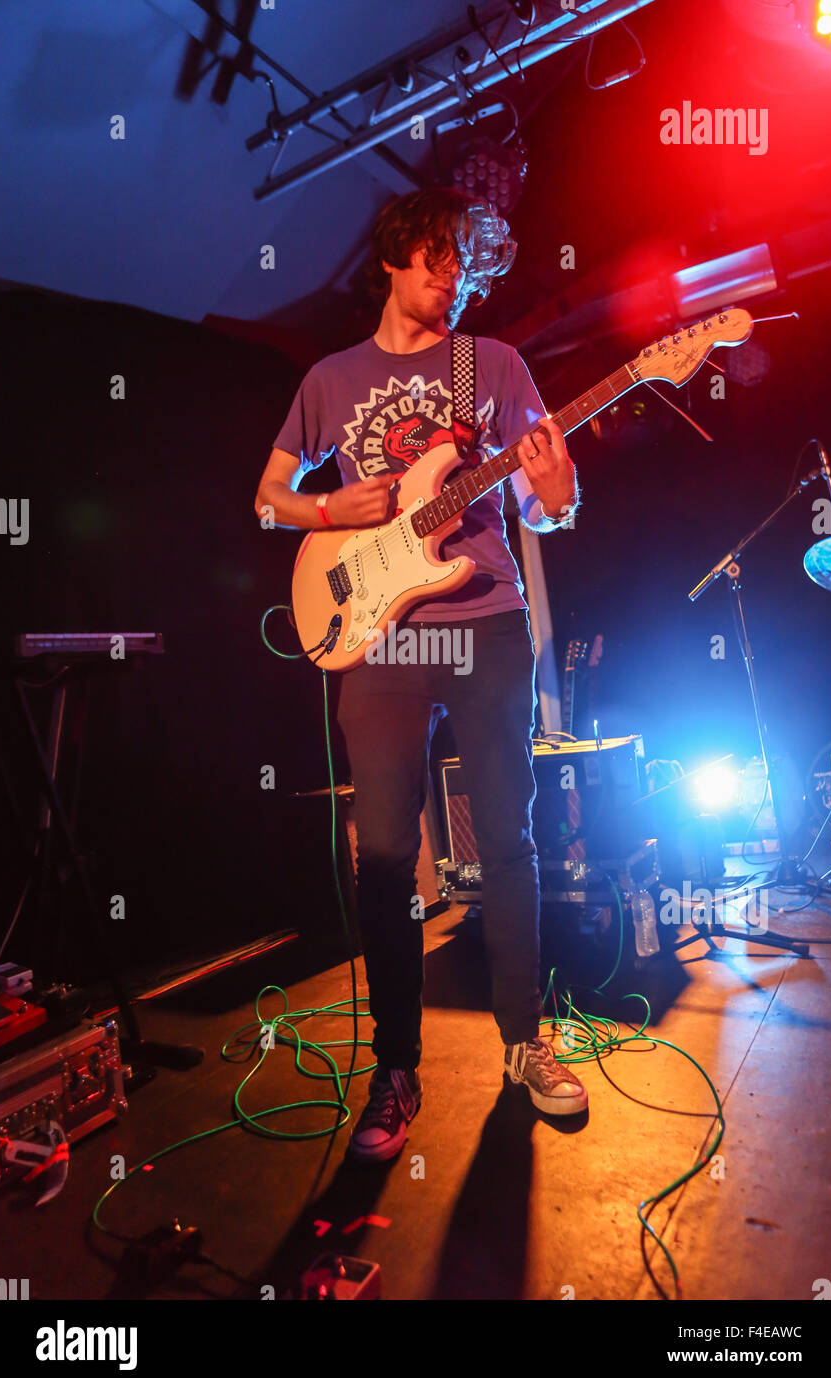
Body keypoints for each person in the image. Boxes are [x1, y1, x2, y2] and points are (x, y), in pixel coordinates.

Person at [254, 187, 588, 1163]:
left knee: (508, 840)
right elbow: (270, 497)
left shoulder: (492, 365)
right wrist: (330, 512)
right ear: (394, 258)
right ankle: (394, 1069)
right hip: (380, 631)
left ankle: (524, 1041)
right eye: (433, 255)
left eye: (459, 259)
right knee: (385, 854)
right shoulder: (330, 378)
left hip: (482, 619)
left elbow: (549, 504)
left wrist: (553, 475)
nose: (450, 272)